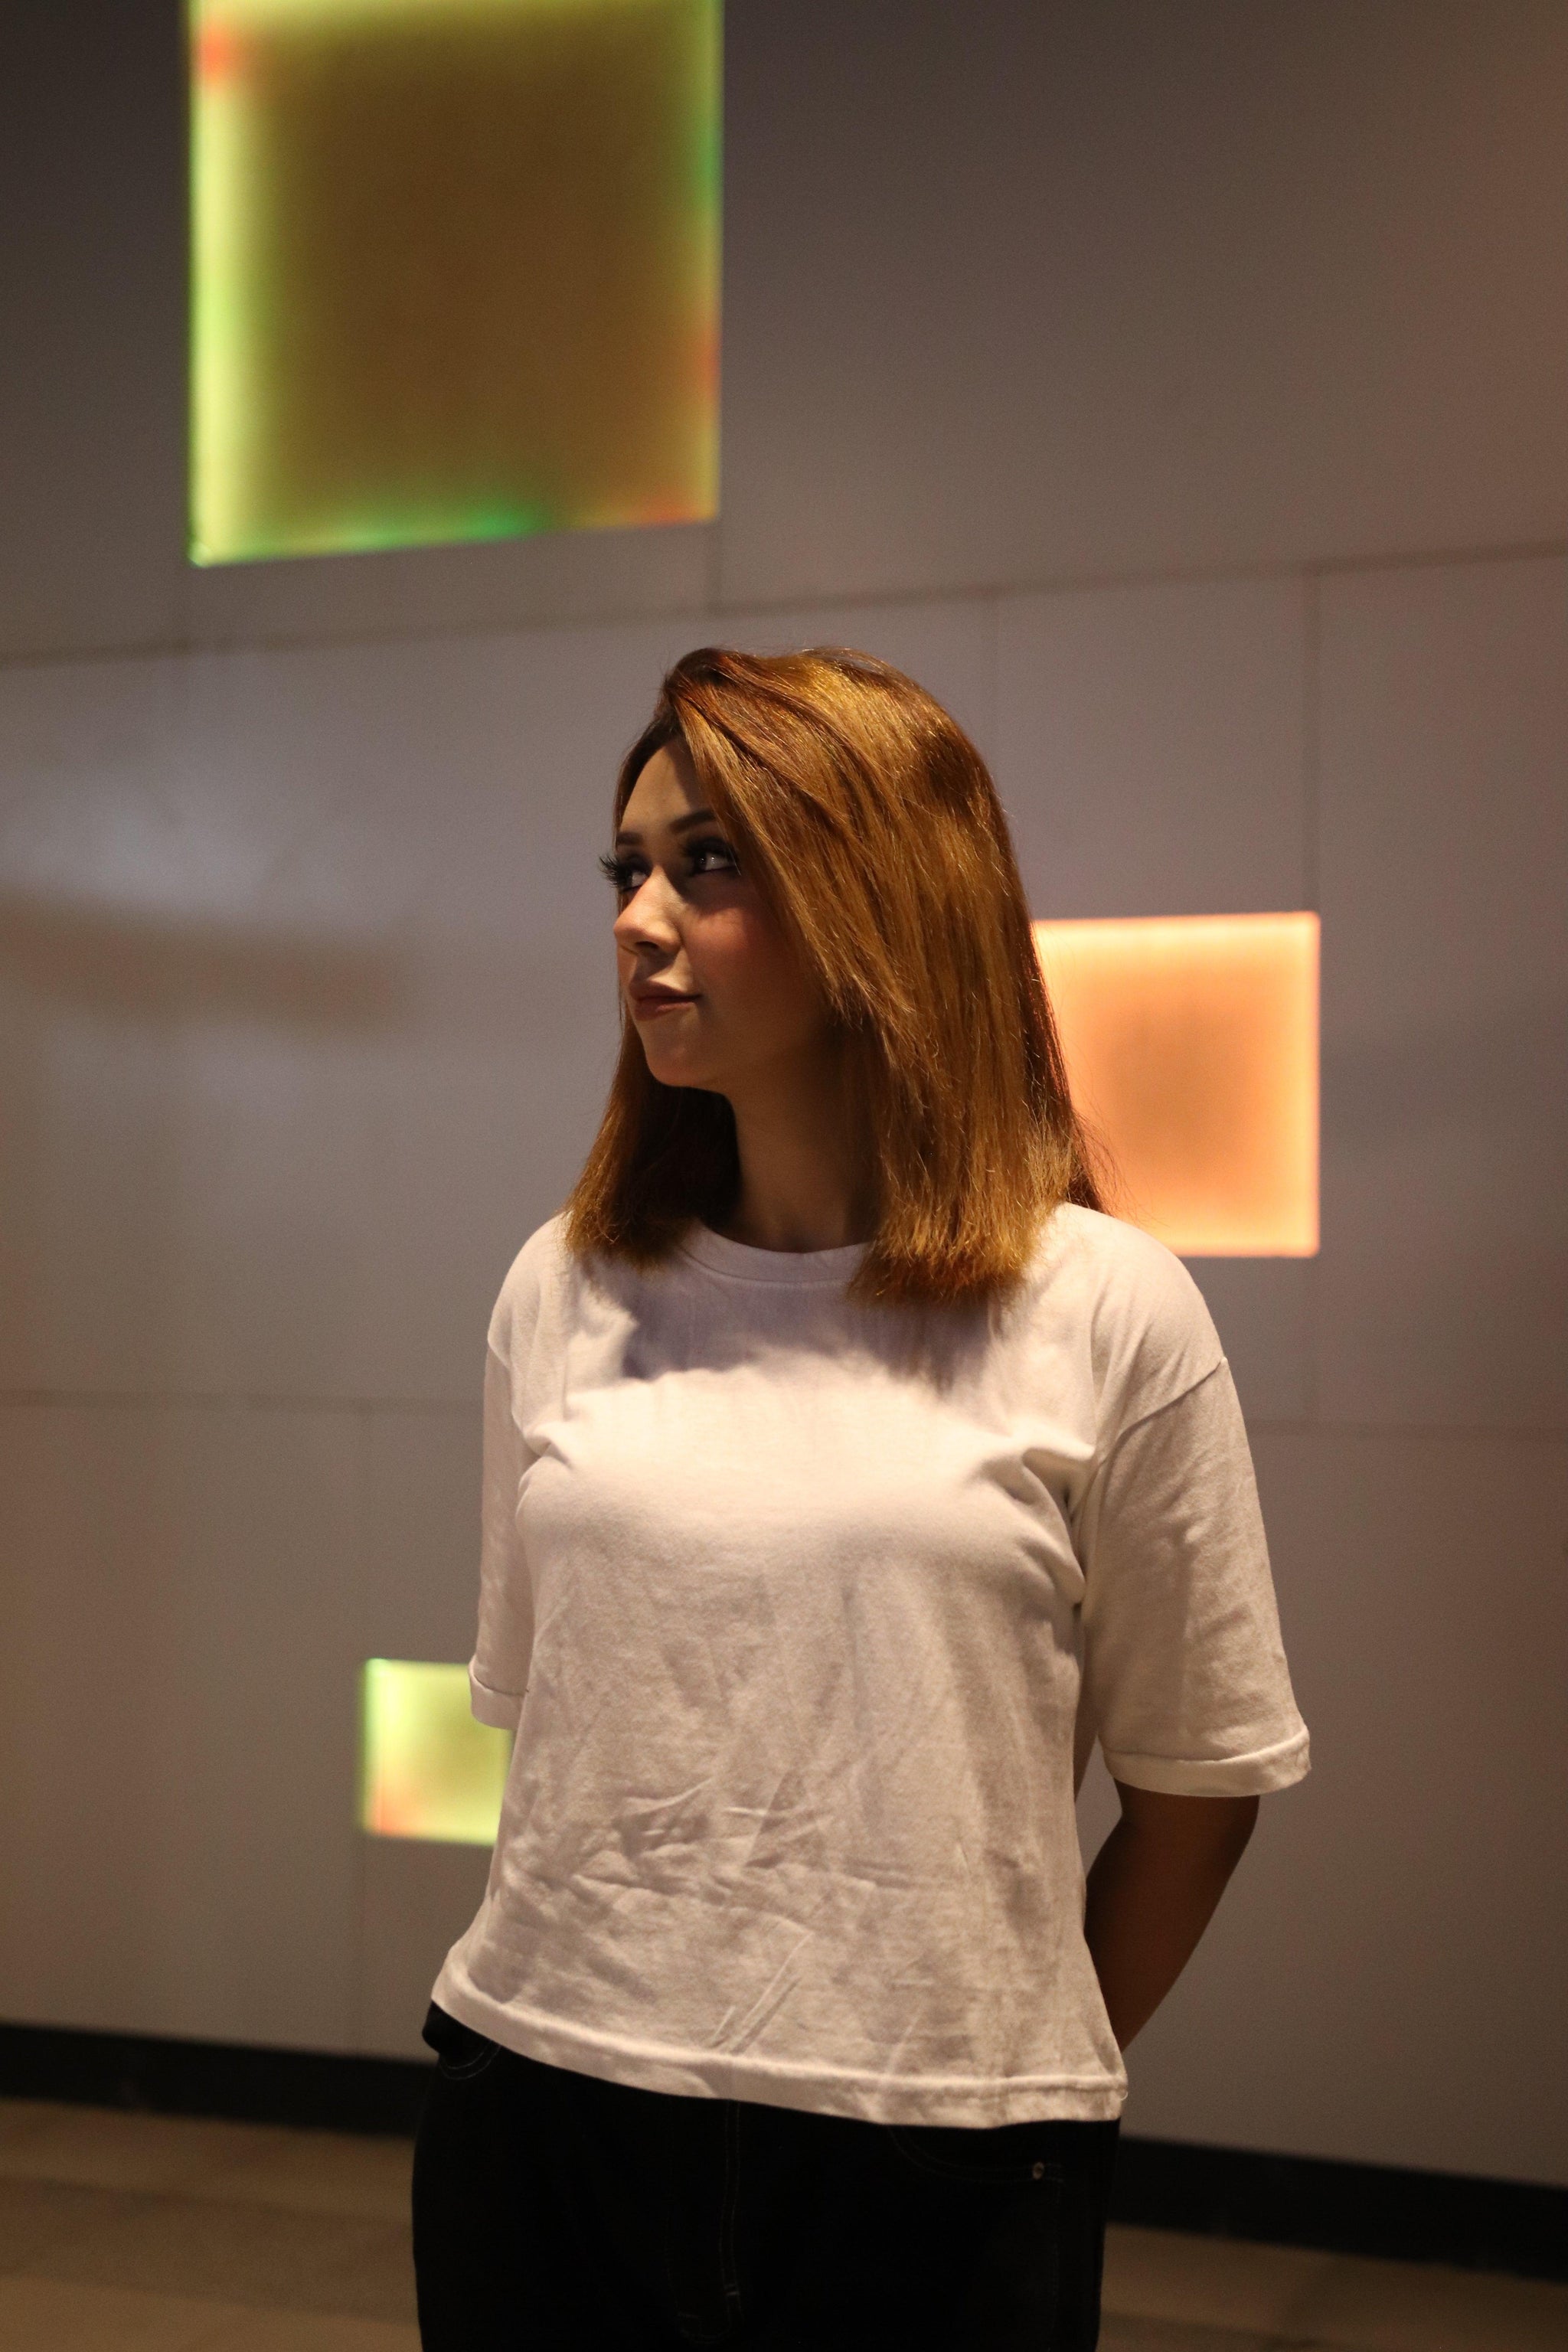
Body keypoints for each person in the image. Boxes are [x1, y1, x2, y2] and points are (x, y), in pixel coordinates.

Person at [410, 648, 1309, 2350]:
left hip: (937, 2170)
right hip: (542, 2111)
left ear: (883, 895)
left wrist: (991, 2063)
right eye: (627, 869)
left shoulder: (1106, 1308)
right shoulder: (567, 1284)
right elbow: (555, 1736)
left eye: (708, 863)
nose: (638, 920)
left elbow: (1199, 1786)